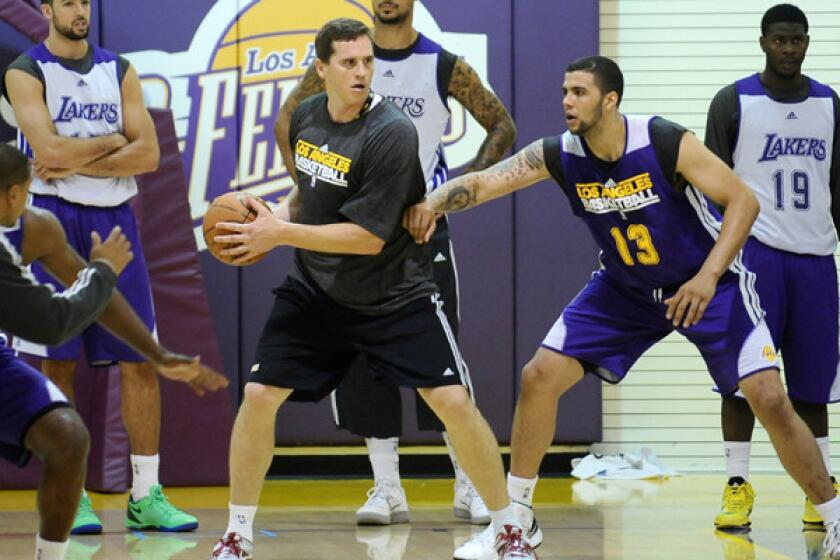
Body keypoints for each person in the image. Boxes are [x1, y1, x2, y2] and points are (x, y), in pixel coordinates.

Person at [404, 55, 840, 560]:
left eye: (580, 93)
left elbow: (743, 200)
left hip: (707, 286)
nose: (568, 102)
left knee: (768, 397)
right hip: (626, 290)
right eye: (565, 91)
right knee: (539, 375)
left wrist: (708, 276)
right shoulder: (559, 153)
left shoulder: (662, 139)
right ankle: (516, 522)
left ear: (610, 100)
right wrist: (430, 204)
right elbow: (483, 183)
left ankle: (832, 516)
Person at [209, 18, 535, 560]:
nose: (362, 72)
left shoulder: (390, 132)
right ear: (322, 70)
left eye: (367, 63)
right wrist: (270, 215)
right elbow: (312, 199)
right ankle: (237, 535)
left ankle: (508, 531)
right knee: (259, 395)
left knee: (452, 401)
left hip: (395, 293)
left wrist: (278, 234)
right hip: (316, 289)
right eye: (349, 63)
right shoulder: (308, 118)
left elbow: (365, 237)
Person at [275, 0, 516, 527]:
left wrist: (446, 194)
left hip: (418, 232)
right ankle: (386, 488)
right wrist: (314, 193)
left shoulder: (442, 64)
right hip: (354, 230)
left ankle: (470, 486)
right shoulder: (342, 60)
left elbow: (502, 127)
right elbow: (288, 120)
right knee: (361, 357)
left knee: (442, 361)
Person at [2, 0, 197, 534]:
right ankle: (77, 495)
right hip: (51, 222)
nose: (79, 9)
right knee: (58, 360)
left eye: (84, 1)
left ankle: (146, 494)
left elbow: (149, 154)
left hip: (114, 220)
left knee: (139, 360)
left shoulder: (120, 69)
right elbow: (45, 150)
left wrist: (80, 152)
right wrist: (115, 141)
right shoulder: (25, 72)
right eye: (67, 2)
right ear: (47, 9)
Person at [0, 144, 226, 560]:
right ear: (16, 192)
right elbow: (49, 321)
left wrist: (156, 353)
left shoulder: (34, 227)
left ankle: (50, 554)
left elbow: (95, 296)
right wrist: (104, 270)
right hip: (36, 321)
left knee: (68, 437)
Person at [704, 3, 840, 529]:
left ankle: (820, 491)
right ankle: (737, 486)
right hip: (753, 260)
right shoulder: (734, 101)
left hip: (814, 261)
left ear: (807, 42)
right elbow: (709, 187)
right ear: (763, 42)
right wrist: (714, 261)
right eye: (779, 40)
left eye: (797, 40)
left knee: (813, 384)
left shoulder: (830, 104)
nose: (789, 49)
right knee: (742, 380)